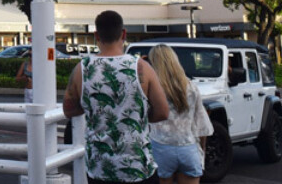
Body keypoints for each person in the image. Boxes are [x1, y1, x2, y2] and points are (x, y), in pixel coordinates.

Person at [63, 10, 170, 184]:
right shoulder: (142, 67)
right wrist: (138, 115)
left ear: (96, 35)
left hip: (99, 168)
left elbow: (69, 110)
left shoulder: (82, 69)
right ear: (124, 33)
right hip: (138, 167)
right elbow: (163, 112)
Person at [147, 45, 213, 184]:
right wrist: (201, 151)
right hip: (188, 147)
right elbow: (202, 124)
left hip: (160, 147)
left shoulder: (153, 89)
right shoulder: (191, 87)